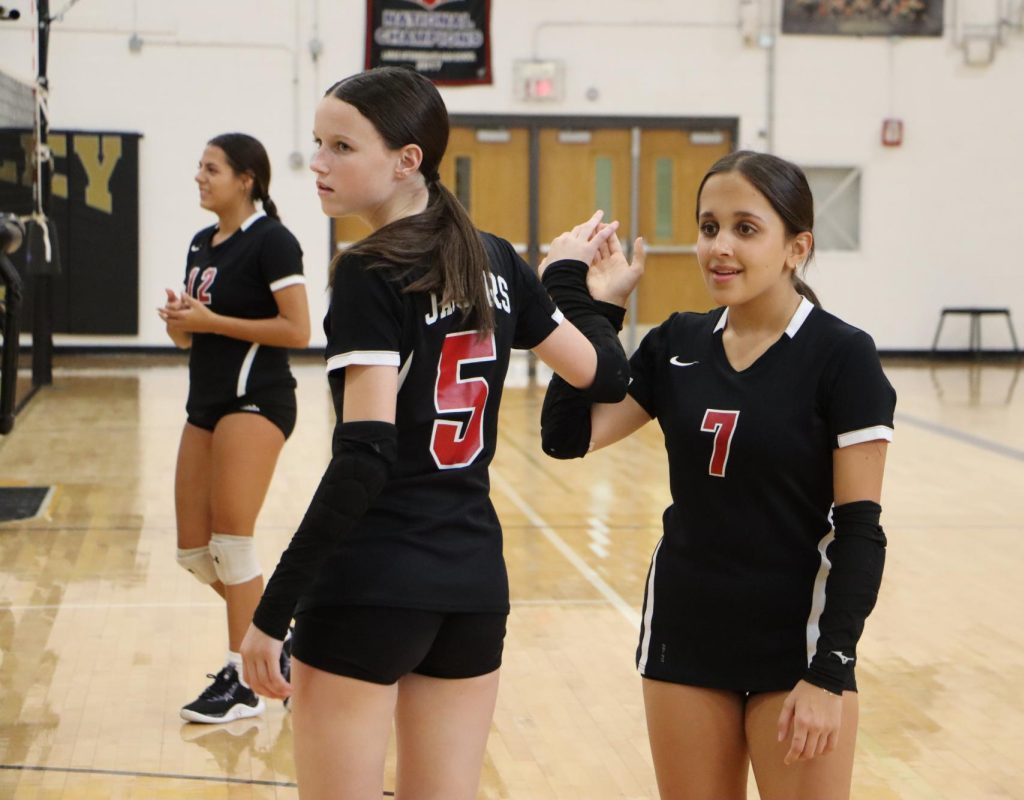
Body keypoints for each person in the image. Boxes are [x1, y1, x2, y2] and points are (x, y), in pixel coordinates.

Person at [237, 66, 630, 800]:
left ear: (406, 160)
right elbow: (603, 375)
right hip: (472, 586)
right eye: (316, 143)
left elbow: (364, 460)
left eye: (341, 147)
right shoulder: (499, 259)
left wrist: (273, 606)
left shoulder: (369, 271)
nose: (317, 163)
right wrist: (574, 283)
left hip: (373, 583)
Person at [540, 150, 896, 800]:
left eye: (745, 228)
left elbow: (861, 533)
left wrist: (832, 671)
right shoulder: (676, 341)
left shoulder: (843, 357)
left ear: (797, 247)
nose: (719, 248)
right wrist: (594, 307)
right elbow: (567, 436)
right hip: (686, 635)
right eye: (708, 228)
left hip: (798, 650)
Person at [158, 132, 310, 724]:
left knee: (231, 543)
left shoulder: (273, 241)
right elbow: (190, 337)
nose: (200, 176)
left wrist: (211, 320)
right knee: (195, 553)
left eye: (211, 168)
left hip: (257, 401)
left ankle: (243, 679)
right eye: (199, 166)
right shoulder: (201, 243)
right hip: (206, 403)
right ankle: (281, 639)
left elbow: (298, 331)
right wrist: (181, 322)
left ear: (246, 179)